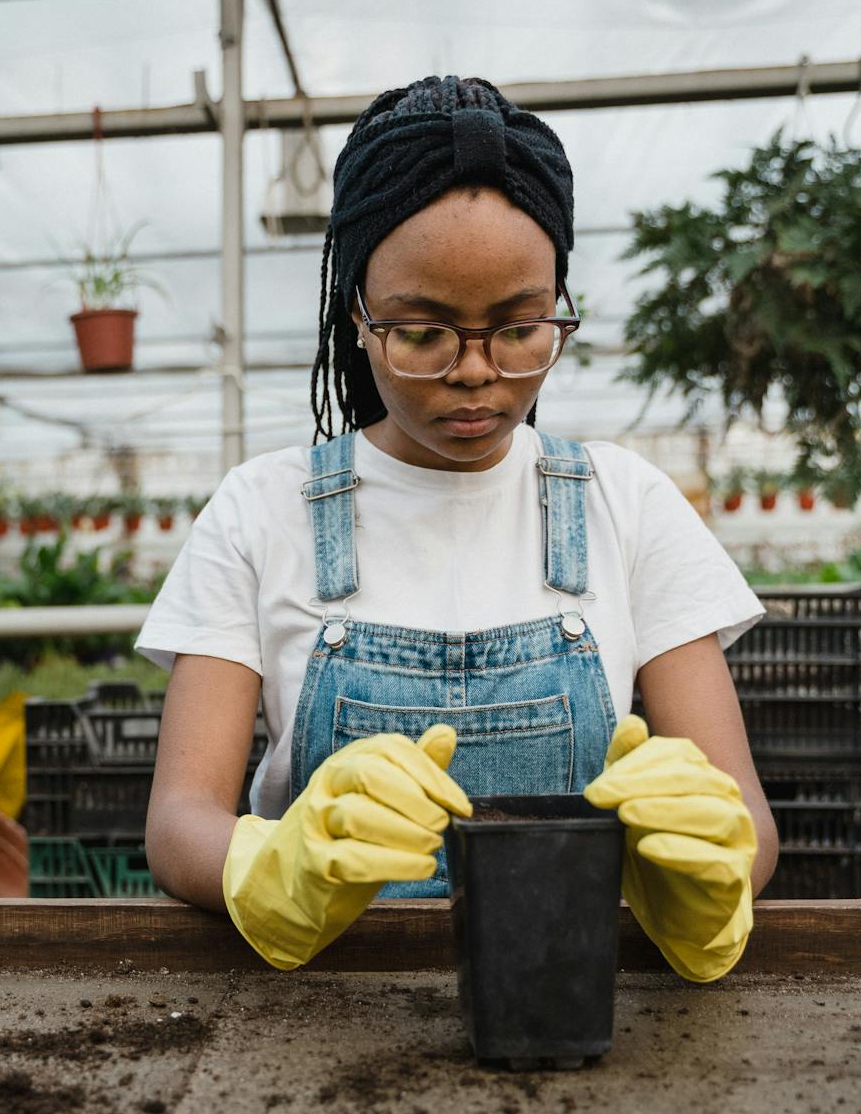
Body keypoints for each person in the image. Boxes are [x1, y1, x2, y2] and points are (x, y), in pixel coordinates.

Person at [135, 75, 775, 983]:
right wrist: (267, 865)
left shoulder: (624, 502)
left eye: (520, 328)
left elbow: (744, 814)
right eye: (423, 333)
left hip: (568, 997)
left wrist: (705, 873)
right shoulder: (260, 510)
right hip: (324, 1014)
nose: (477, 373)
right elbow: (178, 819)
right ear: (356, 316)